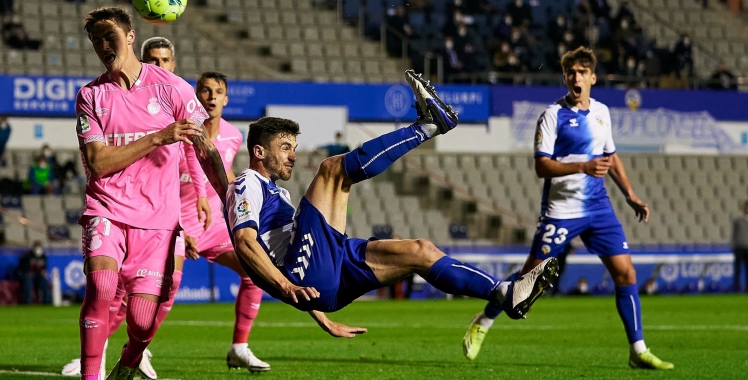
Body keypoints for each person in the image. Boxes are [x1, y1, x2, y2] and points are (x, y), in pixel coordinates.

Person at [201, 70, 559, 343]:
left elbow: (296, 257)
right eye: (284, 147)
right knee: (331, 170)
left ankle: (505, 294)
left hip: (326, 278)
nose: (293, 156)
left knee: (420, 250)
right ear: (259, 152)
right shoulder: (248, 183)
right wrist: (288, 288)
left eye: (294, 147)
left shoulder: (273, 194)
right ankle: (428, 126)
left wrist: (320, 313)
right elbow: (246, 243)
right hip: (305, 277)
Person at [461, 47, 674, 370]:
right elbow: (542, 167)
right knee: (528, 281)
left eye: (582, 72)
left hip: (599, 208)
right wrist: (583, 167)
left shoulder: (603, 112)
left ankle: (638, 350)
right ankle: (484, 321)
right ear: (565, 77)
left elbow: (611, 157)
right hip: (561, 210)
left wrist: (630, 194)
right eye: (571, 72)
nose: (576, 77)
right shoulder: (552, 116)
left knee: (625, 273)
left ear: (593, 78)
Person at [73, 7, 214, 380]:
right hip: (106, 208)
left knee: (141, 320)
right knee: (102, 285)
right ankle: (91, 375)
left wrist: (226, 194)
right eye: (95, 40)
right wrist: (157, 136)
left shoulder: (174, 88)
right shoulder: (90, 96)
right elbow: (99, 163)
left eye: (110, 37)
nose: (103, 45)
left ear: (131, 36)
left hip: (158, 222)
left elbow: (204, 147)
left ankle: (132, 357)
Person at [177, 71, 270, 372]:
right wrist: (178, 226)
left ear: (226, 99)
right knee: (152, 290)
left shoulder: (233, 135)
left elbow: (224, 174)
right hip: (175, 224)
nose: (212, 96)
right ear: (196, 96)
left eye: (218, 91)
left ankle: (239, 347)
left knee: (255, 271)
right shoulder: (180, 132)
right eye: (205, 90)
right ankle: (119, 351)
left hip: (213, 225)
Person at [731, 201, 748, 293]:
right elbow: (734, 234)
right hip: (740, 248)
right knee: (738, 270)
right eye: (745, 207)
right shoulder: (738, 220)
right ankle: (736, 290)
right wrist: (733, 245)